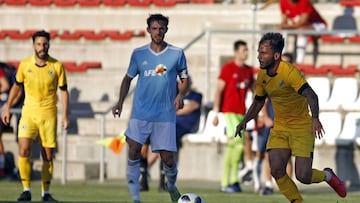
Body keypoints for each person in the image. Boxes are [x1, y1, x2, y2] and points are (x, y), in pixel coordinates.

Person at [235, 32, 347, 203]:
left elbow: (311, 95)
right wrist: (244, 121)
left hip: (302, 127)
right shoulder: (262, 75)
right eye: (259, 52)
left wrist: (315, 118)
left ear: (276, 55)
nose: (259, 56)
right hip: (280, 128)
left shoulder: (289, 72)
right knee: (277, 170)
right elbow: (258, 102)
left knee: (303, 175)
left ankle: (327, 175)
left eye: (263, 53)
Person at [112, 14, 189, 203]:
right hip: (141, 112)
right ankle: (135, 196)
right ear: (148, 30)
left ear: (166, 30)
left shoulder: (176, 53)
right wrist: (120, 101)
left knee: (167, 158)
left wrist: (180, 95)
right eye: (154, 28)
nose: (158, 32)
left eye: (161, 28)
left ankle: (171, 185)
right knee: (134, 148)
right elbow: (127, 79)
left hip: (164, 114)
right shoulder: (138, 54)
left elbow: (185, 79)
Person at [2, 30, 70, 202]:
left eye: (45, 44)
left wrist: (65, 115)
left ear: (49, 45)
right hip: (29, 114)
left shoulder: (57, 66)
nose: (42, 47)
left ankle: (45, 193)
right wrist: (7, 107)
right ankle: (26, 190)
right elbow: (16, 87)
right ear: (33, 45)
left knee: (47, 155)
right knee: (23, 149)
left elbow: (63, 92)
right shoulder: (25, 65)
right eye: (39, 44)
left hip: (49, 115)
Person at [139, 77, 202, 192]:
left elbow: (189, 107)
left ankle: (161, 182)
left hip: (182, 126)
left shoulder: (196, 95)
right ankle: (144, 176)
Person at [212, 40, 255, 193]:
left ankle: (229, 182)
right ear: (236, 51)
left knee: (233, 147)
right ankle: (231, 181)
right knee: (238, 144)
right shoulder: (228, 68)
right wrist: (216, 113)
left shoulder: (249, 71)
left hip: (241, 114)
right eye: (244, 50)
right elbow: (219, 90)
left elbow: (255, 90)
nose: (246, 53)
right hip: (229, 112)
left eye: (247, 50)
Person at [252, 52, 295, 195]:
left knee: (286, 156)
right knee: (268, 155)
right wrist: (266, 117)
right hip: (272, 123)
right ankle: (269, 184)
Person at [0, 62, 24, 177]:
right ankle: (2, 167)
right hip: (7, 104)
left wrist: (8, 106)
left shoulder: (5, 72)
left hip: (19, 105)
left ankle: (21, 169)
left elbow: (7, 86)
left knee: (21, 139)